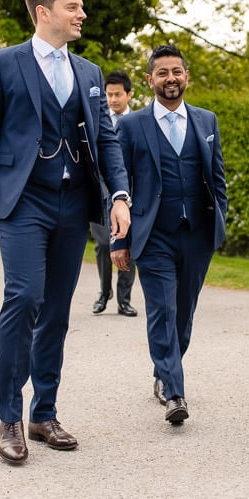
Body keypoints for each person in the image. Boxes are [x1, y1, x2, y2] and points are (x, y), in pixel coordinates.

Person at [0, 0, 132, 465]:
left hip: (73, 202)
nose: (81, 14)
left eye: (81, 7)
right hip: (22, 203)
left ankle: (44, 413)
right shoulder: (2, 65)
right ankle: (9, 418)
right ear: (44, 12)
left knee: (57, 311)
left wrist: (118, 195)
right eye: (72, 6)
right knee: (24, 298)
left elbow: (106, 139)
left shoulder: (89, 72)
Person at [111, 45, 227, 425]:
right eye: (162, 73)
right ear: (149, 80)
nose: (171, 79)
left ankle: (163, 372)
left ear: (186, 76)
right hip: (153, 234)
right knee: (162, 309)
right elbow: (116, 185)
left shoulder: (207, 121)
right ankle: (175, 392)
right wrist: (119, 240)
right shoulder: (130, 126)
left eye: (176, 71)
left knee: (183, 314)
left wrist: (219, 222)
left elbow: (218, 179)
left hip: (196, 233)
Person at [90, 70, 138, 317]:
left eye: (118, 94)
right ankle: (103, 292)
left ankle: (124, 299)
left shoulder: (139, 122)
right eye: (109, 95)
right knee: (102, 245)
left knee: (128, 245)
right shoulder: (98, 121)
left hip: (129, 195)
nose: (113, 99)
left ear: (129, 95)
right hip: (100, 193)